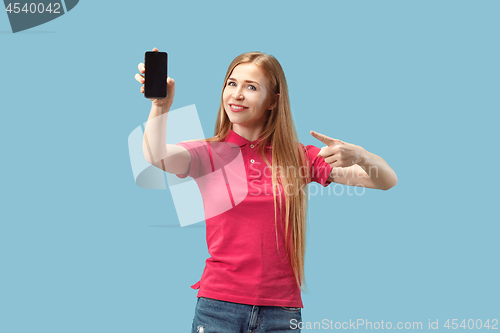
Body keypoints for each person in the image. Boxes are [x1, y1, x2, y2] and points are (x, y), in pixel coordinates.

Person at [135, 48, 397, 332]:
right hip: (218, 306)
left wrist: (360, 155)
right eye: (232, 84)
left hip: (280, 311)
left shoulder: (298, 157)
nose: (236, 94)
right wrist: (160, 107)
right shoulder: (207, 154)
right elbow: (155, 155)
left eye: (251, 87)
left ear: (273, 101)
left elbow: (385, 180)